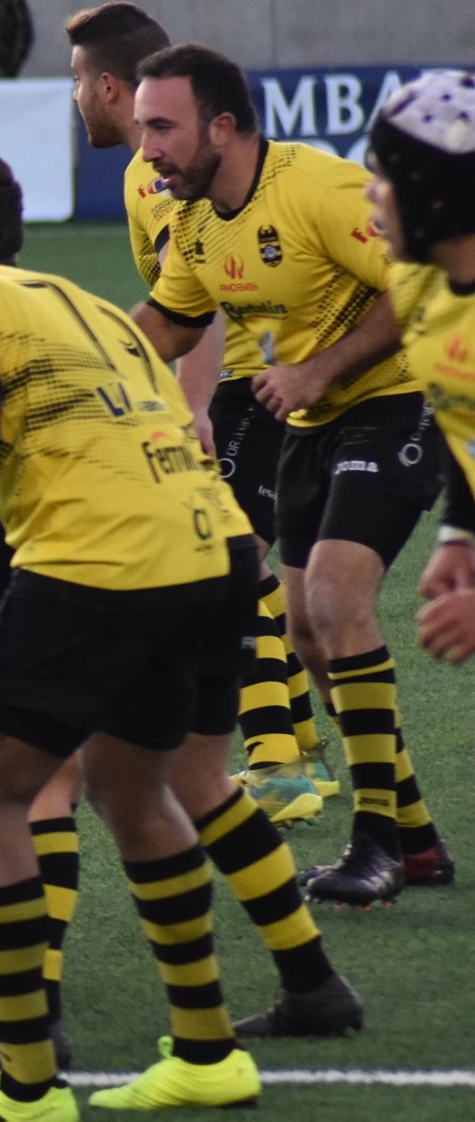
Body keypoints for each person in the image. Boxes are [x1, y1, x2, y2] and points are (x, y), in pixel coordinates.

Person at [0, 153, 259, 1122]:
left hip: (95, 567)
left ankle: (25, 1086)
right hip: (204, 547)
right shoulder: (53, 291)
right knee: (132, 791)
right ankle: (205, 1052)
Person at [128, 44, 450, 906]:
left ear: (223, 127)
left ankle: (376, 844)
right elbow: (162, 323)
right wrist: (57, 367)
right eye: (140, 128)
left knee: (339, 601)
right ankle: (415, 836)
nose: (146, 146)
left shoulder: (316, 187)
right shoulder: (192, 221)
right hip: (308, 420)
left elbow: (419, 282)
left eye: (162, 126)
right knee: (310, 633)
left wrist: (320, 369)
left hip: (402, 395)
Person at [66, 1, 330, 821]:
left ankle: (279, 764)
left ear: (107, 82)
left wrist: (192, 407)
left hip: (248, 384)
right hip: (244, 381)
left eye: (75, 79)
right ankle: (300, 739)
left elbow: (206, 296)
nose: (72, 96)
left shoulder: (154, 178)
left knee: (224, 563)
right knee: (239, 562)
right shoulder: (145, 169)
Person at [370, 72, 475, 668]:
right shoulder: (418, 284)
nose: (370, 193)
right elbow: (465, 423)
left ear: (430, 190)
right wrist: (460, 532)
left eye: (383, 175)